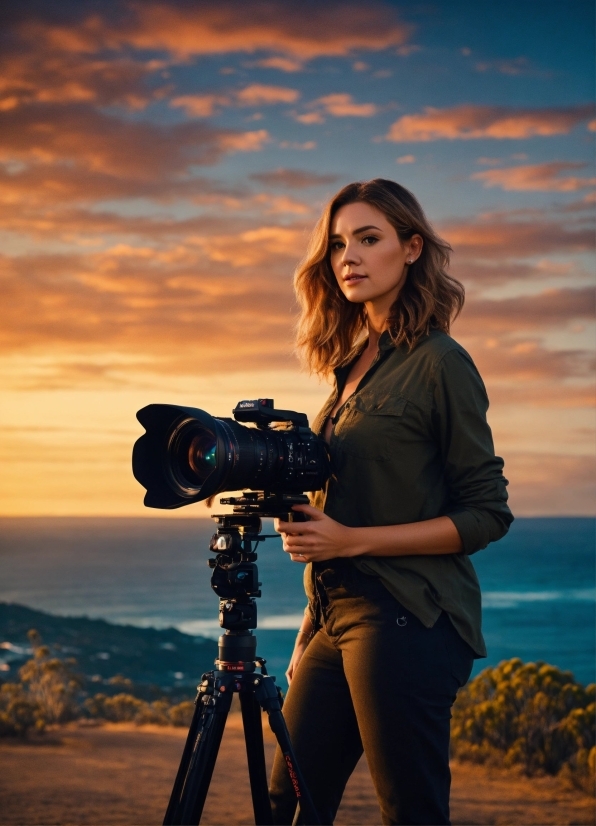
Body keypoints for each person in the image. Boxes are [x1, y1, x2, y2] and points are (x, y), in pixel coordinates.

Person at [269, 179, 513, 826]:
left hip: (409, 615)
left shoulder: (440, 362)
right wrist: (308, 632)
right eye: (338, 244)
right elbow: (334, 519)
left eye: (368, 239)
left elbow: (487, 512)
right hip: (333, 614)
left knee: (410, 811)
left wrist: (353, 542)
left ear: (410, 248)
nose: (348, 256)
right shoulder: (347, 368)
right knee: (286, 800)